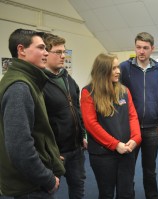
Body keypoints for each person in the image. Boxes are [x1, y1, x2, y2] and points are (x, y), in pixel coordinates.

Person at [0, 29, 65, 198]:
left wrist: (49, 154)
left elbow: (36, 131)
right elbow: (20, 148)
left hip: (30, 181)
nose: (46, 53)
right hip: (31, 186)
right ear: (21, 50)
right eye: (41, 48)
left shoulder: (27, 80)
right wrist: (47, 179)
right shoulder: (20, 87)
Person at [80, 53, 142, 198]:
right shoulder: (88, 92)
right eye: (113, 68)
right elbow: (91, 125)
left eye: (118, 67)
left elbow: (132, 116)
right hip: (103, 155)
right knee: (106, 193)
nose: (118, 71)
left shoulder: (124, 90)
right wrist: (115, 145)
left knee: (126, 192)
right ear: (103, 70)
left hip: (127, 150)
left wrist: (136, 138)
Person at [120, 32, 158, 199]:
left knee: (150, 170)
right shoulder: (124, 67)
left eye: (145, 48)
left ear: (152, 49)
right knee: (128, 168)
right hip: (129, 128)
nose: (141, 51)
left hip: (151, 128)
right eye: (138, 47)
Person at [42, 33, 87, 199]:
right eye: (58, 52)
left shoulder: (68, 78)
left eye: (64, 52)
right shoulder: (40, 82)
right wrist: (49, 151)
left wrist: (82, 134)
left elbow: (77, 108)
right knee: (47, 190)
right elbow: (38, 123)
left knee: (78, 186)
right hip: (55, 152)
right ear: (46, 54)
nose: (63, 56)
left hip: (76, 148)